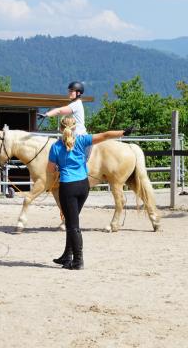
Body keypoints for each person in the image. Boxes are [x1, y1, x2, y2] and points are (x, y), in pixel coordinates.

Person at [47, 115, 134, 270]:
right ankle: (67, 255)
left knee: (73, 225)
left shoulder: (55, 147)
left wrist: (59, 168)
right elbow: (105, 135)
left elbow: (50, 170)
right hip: (83, 186)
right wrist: (123, 132)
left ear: (60, 129)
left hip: (68, 187)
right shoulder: (82, 141)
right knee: (71, 222)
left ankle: (78, 260)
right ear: (75, 128)